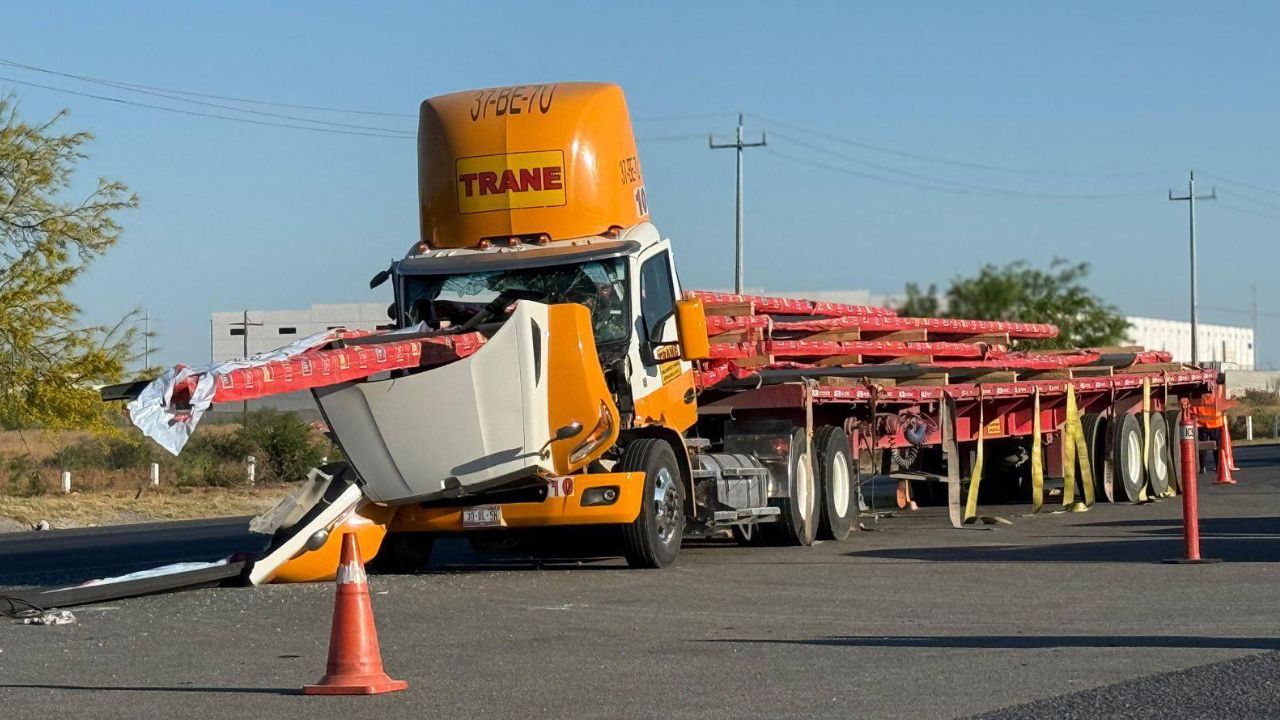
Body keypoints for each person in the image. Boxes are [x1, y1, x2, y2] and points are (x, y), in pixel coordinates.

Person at [1195, 397, 1224, 474]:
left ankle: (1202, 467)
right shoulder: (1215, 394)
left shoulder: (1199, 396)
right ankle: (1219, 466)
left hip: (1202, 423)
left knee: (1202, 446)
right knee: (1217, 446)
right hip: (1215, 422)